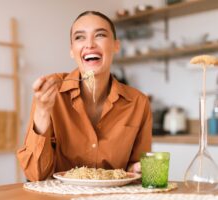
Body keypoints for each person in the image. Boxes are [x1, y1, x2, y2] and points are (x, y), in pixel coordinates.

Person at [17, 11, 152, 181]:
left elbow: (137, 169)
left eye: (100, 35)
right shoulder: (51, 93)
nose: (89, 44)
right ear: (72, 51)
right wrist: (43, 111)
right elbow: (35, 175)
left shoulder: (138, 102)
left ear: (116, 46)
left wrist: (137, 169)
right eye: (80, 37)